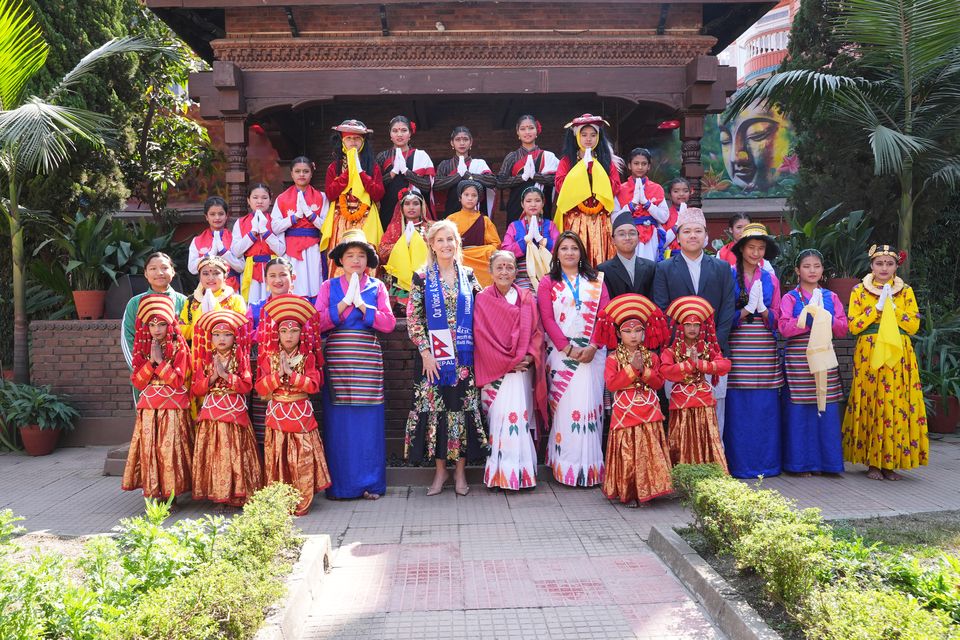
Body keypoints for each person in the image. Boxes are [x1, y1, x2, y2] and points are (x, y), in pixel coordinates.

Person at [404, 220, 487, 496]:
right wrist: (426, 353)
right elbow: (414, 318)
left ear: (457, 243)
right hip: (434, 360)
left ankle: (461, 473)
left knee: (461, 411)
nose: (446, 245)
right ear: (431, 244)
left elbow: (483, 312)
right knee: (438, 412)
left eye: (450, 239)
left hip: (464, 358)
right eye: (440, 240)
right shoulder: (422, 277)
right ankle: (440, 473)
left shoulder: (469, 275)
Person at [315, 230, 397, 500]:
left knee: (368, 425)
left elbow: (388, 324)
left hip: (367, 362)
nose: (355, 260)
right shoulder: (329, 287)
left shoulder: (378, 287)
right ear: (341, 259)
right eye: (350, 255)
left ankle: (371, 484)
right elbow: (317, 324)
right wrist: (343, 305)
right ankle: (342, 486)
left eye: (361, 256)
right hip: (338, 360)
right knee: (340, 425)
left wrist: (363, 306)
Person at [842, 244, 928, 481]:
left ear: (896, 267)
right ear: (871, 265)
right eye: (879, 263)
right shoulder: (859, 291)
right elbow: (854, 325)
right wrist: (876, 308)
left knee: (895, 402)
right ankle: (872, 462)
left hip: (899, 353)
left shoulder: (905, 291)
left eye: (889, 263)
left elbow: (913, 325)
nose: (884, 268)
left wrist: (893, 309)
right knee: (872, 400)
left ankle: (890, 462)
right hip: (869, 352)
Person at [537, 231, 611, 487]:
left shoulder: (597, 281)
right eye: (564, 248)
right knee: (566, 411)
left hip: (592, 354)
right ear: (556, 253)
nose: (569, 252)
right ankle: (565, 468)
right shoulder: (548, 282)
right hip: (561, 355)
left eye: (574, 248)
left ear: (581, 252)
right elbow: (546, 319)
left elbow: (604, 316)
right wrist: (567, 349)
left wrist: (593, 345)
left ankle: (590, 469)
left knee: (590, 407)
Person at [652, 205, 736, 431]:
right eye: (686, 231)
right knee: (681, 411)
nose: (692, 235)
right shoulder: (665, 268)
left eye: (698, 231)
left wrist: (710, 345)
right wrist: (680, 346)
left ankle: (716, 463)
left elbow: (728, 309)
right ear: (677, 237)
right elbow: (661, 311)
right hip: (677, 354)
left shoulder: (721, 268)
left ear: (707, 236)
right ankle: (682, 463)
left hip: (714, 351)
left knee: (714, 411)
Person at [474, 251, 547, 491]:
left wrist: (527, 356)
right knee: (500, 420)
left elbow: (536, 332)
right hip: (496, 370)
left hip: (522, 370)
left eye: (509, 267)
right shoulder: (483, 299)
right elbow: (481, 338)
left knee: (520, 418)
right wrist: (507, 362)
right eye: (499, 267)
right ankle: (500, 474)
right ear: (491, 271)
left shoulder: (526, 298)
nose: (504, 272)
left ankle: (523, 473)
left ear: (516, 271)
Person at [255, 294, 331, 516]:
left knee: (303, 459)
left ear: (302, 333)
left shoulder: (307, 357)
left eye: (294, 331)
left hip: (301, 414)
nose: (289, 336)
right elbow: (260, 387)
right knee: (278, 460)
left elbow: (314, 385)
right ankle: (280, 501)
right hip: (277, 414)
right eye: (284, 331)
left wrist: (293, 376)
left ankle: (303, 501)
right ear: (277, 333)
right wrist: (279, 375)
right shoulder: (269, 357)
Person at [779, 249, 848, 476]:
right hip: (799, 360)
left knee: (825, 408)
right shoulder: (790, 297)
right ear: (798, 270)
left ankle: (828, 463)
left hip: (825, 358)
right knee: (800, 411)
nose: (812, 270)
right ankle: (800, 464)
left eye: (816, 266)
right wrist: (808, 319)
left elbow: (842, 328)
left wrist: (824, 317)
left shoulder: (831, 297)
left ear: (822, 270)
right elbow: (784, 328)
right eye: (807, 266)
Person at [599, 293, 673, 506]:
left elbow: (659, 383)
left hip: (649, 407)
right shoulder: (613, 359)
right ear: (619, 334)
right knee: (628, 451)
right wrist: (632, 369)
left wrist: (645, 371)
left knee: (650, 449)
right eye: (628, 331)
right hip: (625, 409)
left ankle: (652, 488)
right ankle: (630, 491)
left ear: (644, 333)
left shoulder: (653, 357)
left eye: (638, 330)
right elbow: (612, 385)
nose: (633, 335)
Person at [723, 223, 783, 478]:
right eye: (751, 247)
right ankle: (739, 464)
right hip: (737, 347)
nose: (756, 253)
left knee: (764, 407)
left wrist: (765, 311)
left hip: (764, 348)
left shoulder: (771, 279)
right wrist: (745, 311)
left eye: (760, 248)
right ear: (741, 249)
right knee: (739, 408)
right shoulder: (727, 275)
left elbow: (780, 317)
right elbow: (723, 315)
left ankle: (767, 464)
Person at [122, 294, 194, 499]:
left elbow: (178, 381)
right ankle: (154, 491)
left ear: (170, 324)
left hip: (173, 407)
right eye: (152, 325)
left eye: (161, 323)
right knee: (150, 450)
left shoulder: (180, 347)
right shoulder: (142, 347)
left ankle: (172, 494)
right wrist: (151, 363)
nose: (156, 329)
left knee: (169, 451)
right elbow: (137, 381)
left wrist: (159, 363)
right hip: (149, 408)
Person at [190, 309, 263, 507]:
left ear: (235, 337)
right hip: (212, 412)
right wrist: (213, 377)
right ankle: (218, 495)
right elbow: (196, 389)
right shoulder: (205, 359)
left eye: (227, 334)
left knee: (235, 453)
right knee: (214, 454)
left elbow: (247, 386)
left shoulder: (241, 358)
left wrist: (226, 376)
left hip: (234, 411)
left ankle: (237, 494)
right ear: (210, 337)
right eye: (216, 334)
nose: (221, 339)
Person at [660, 296, 730, 471]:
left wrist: (700, 364)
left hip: (703, 398)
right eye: (688, 325)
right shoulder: (671, 351)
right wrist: (688, 365)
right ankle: (681, 475)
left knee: (706, 437)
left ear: (701, 328)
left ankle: (709, 474)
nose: (692, 329)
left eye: (696, 325)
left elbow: (724, 365)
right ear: (680, 327)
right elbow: (665, 371)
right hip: (681, 399)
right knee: (681, 438)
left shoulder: (708, 348)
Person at [553, 114, 622, 267]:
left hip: (600, 220)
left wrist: (594, 173)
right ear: (576, 136)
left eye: (593, 135)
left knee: (601, 260)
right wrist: (581, 173)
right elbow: (559, 185)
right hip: (574, 218)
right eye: (583, 135)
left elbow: (615, 186)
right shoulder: (567, 161)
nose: (588, 139)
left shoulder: (606, 161)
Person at [321, 119, 385, 277]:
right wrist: (349, 171)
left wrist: (361, 172)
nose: (353, 142)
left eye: (357, 138)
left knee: (367, 256)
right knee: (340, 258)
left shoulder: (372, 166)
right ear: (342, 141)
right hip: (340, 219)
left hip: (366, 217)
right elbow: (330, 194)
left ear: (363, 142)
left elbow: (378, 193)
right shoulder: (334, 167)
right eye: (349, 138)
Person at [271, 156, 329, 303]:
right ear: (291, 174)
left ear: (311, 173)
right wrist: (294, 217)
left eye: (305, 171)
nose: (301, 174)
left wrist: (310, 214)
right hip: (290, 247)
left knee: (314, 280)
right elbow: (275, 227)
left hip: (313, 246)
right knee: (294, 282)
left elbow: (327, 226)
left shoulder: (321, 197)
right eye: (297, 171)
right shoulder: (282, 198)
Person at [121, 252, 188, 370]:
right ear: (146, 273)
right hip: (144, 377)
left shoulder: (185, 302)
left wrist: (182, 370)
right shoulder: (135, 303)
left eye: (165, 268)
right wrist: (142, 371)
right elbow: (128, 339)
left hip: (179, 376)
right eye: (153, 268)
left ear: (173, 271)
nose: (159, 273)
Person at [497, 115, 559, 224]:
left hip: (542, 209)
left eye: (531, 128)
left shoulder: (548, 156)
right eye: (523, 129)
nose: (527, 132)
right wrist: (521, 178)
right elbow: (500, 182)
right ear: (518, 132)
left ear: (537, 131)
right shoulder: (512, 157)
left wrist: (535, 176)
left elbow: (556, 180)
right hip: (517, 207)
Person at [379, 187, 433, 313]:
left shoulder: (431, 227)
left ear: (422, 207)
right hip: (399, 276)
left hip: (425, 271)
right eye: (407, 204)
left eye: (415, 203)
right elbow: (382, 251)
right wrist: (403, 244)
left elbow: (439, 248)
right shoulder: (394, 228)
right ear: (402, 208)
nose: (411, 207)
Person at [231, 183, 285, 306]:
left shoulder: (275, 221)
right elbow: (236, 251)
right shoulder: (241, 222)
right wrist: (253, 232)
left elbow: (281, 250)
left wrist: (265, 232)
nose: (260, 201)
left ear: (270, 200)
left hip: (273, 267)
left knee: (273, 303)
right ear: (248, 200)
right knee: (252, 304)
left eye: (264, 198)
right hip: (250, 268)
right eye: (255, 197)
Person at [376, 115, 435, 229]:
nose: (399, 134)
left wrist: (406, 172)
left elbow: (427, 186)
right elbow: (376, 186)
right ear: (390, 135)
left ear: (410, 134)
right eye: (395, 131)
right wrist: (392, 173)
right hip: (388, 209)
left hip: (414, 209)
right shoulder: (382, 157)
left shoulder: (421, 155)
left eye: (403, 130)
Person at [614, 148, 671, 262]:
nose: (640, 167)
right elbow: (614, 219)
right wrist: (632, 205)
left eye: (644, 164)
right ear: (629, 165)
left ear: (649, 166)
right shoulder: (620, 189)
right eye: (636, 163)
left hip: (652, 236)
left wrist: (647, 204)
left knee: (651, 268)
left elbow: (664, 217)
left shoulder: (656, 188)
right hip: (627, 235)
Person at [500, 186, 559, 291]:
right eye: (528, 201)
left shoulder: (550, 225)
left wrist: (542, 241)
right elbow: (505, 251)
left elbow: (560, 248)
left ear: (543, 204)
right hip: (521, 276)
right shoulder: (514, 226)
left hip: (548, 273)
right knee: (527, 298)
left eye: (537, 201)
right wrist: (525, 242)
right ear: (522, 204)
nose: (533, 204)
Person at [432, 126, 498, 218]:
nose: (462, 143)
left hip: (475, 214)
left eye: (465, 139)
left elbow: (492, 181)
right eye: (458, 139)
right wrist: (458, 176)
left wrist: (468, 175)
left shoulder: (479, 163)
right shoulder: (445, 164)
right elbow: (436, 185)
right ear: (452, 143)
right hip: (451, 213)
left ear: (471, 142)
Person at [178, 255, 247, 343]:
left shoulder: (235, 300)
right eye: (205, 274)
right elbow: (182, 331)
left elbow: (241, 328)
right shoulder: (191, 301)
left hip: (226, 353)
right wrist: (199, 322)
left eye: (216, 273)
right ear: (200, 277)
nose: (211, 278)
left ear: (225, 276)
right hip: (198, 352)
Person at [446, 180, 501, 288]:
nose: (470, 198)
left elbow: (495, 244)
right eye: (466, 195)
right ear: (460, 198)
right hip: (460, 255)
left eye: (474, 195)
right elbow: (446, 241)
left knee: (491, 250)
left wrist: (482, 251)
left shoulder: (484, 220)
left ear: (478, 199)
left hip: (479, 257)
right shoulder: (451, 218)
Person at [189, 196, 244, 292]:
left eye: (221, 214)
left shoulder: (235, 238)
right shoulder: (197, 240)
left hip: (232, 289)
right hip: (206, 289)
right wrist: (209, 255)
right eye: (212, 214)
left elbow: (241, 267)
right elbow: (192, 269)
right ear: (206, 217)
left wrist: (224, 252)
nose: (217, 218)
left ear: (226, 216)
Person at [598, 211, 656, 299]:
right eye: (622, 234)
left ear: (638, 237)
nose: (627, 238)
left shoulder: (651, 267)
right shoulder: (603, 270)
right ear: (613, 240)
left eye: (632, 233)